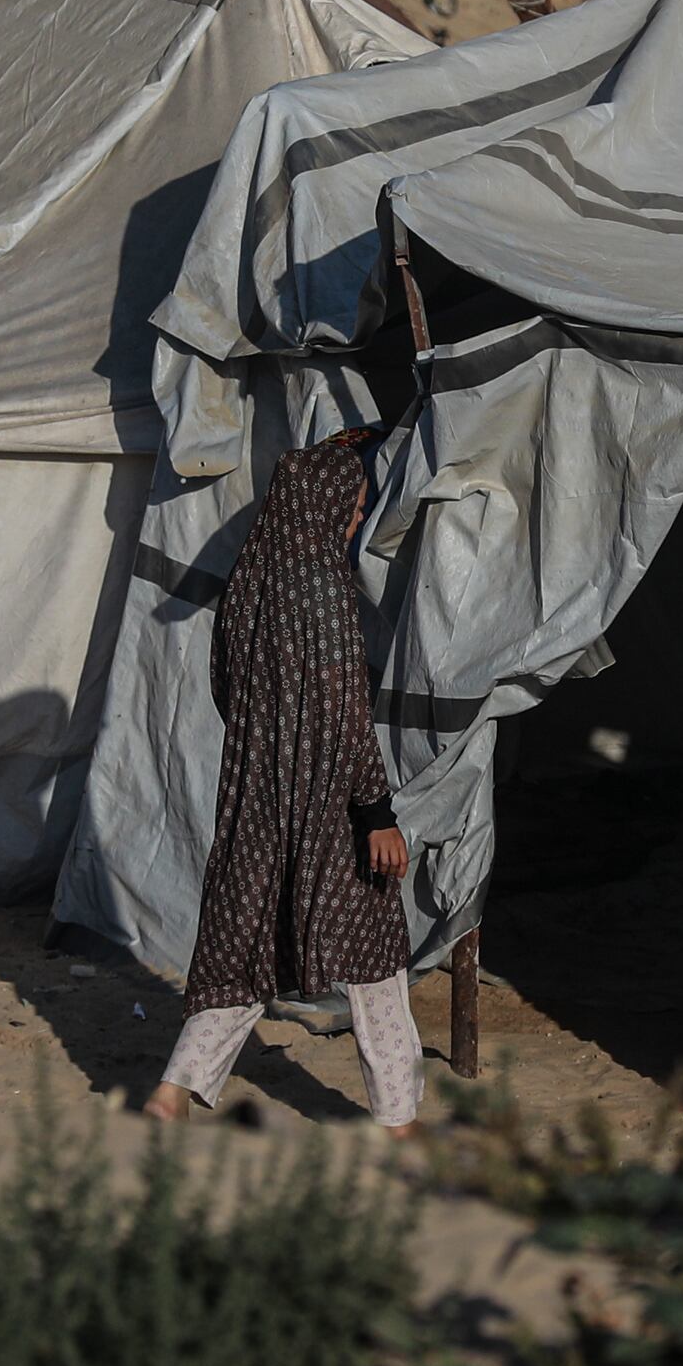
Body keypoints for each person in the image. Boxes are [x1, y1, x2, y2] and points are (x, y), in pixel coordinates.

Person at [148, 426, 425, 1134]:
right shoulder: (326, 593)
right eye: (355, 507)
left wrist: (268, 745)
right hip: (327, 803)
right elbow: (344, 715)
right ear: (326, 507)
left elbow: (224, 684)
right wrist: (374, 809)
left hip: (255, 796)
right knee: (373, 959)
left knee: (242, 946)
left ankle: (174, 1089)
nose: (358, 520)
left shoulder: (248, 583)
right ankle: (399, 1117)